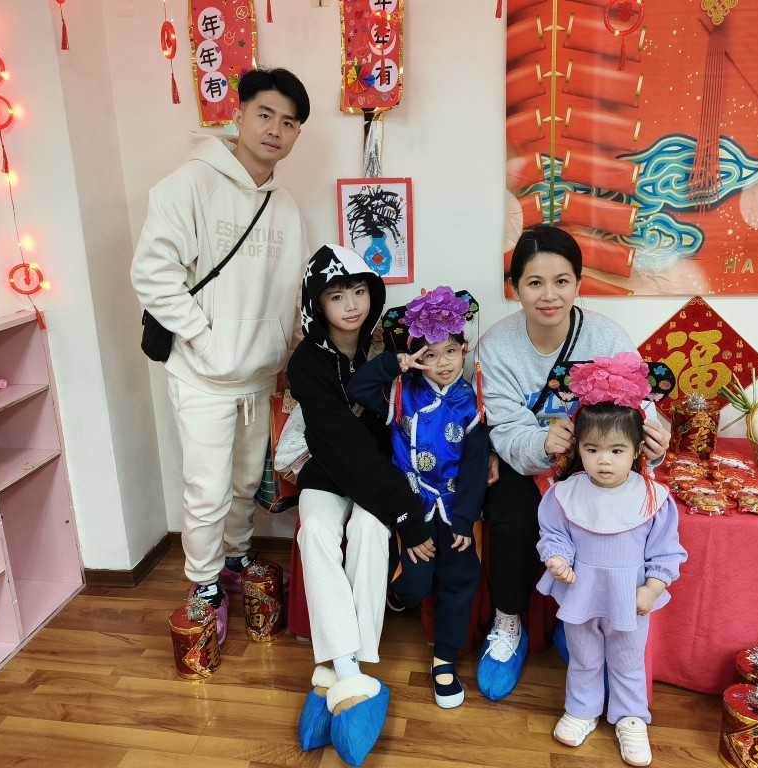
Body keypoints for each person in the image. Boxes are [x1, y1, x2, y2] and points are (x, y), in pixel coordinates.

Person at [130, 68, 310, 643]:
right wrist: (206, 340)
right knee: (205, 489)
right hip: (202, 375)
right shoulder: (188, 186)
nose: (275, 130)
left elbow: (292, 293)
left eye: (289, 122)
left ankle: (234, 558)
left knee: (243, 484)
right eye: (265, 114)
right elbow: (152, 276)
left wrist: (286, 353)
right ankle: (204, 582)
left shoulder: (286, 207)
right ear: (238, 116)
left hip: (258, 375)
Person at [475, 224, 671, 701]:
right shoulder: (496, 346)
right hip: (530, 463)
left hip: (594, 465)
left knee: (612, 522)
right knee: (512, 516)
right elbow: (502, 426)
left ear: (579, 283)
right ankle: (507, 621)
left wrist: (654, 439)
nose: (549, 295)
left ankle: (580, 623)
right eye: (534, 282)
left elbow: (640, 406)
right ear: (514, 287)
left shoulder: (606, 335)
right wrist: (544, 442)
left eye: (562, 281)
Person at [289, 244, 434, 766]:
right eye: (336, 295)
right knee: (315, 530)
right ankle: (349, 672)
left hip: (381, 473)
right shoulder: (306, 362)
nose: (350, 304)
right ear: (317, 303)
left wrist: (400, 509)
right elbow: (338, 442)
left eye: (358, 291)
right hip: (329, 467)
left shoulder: (389, 344)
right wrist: (406, 512)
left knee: (371, 532)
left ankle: (345, 667)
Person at [537, 353, 686, 767]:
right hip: (580, 594)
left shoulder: (653, 498)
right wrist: (557, 559)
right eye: (593, 449)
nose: (604, 460)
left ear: (637, 449)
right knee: (583, 658)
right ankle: (582, 709)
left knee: (627, 660)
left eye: (617, 450)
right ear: (578, 448)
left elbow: (665, 551)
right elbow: (553, 534)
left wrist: (652, 588)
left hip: (630, 597)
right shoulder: (565, 493)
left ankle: (630, 717)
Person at [346, 286, 490, 709]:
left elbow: (475, 465)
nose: (443, 363)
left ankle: (444, 660)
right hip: (412, 508)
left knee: (460, 580)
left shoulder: (471, 403)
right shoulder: (400, 392)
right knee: (415, 584)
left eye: (451, 351)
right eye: (431, 354)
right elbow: (356, 387)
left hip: (453, 510)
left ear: (464, 350)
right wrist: (396, 363)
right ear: (415, 356)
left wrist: (465, 519)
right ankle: (398, 598)